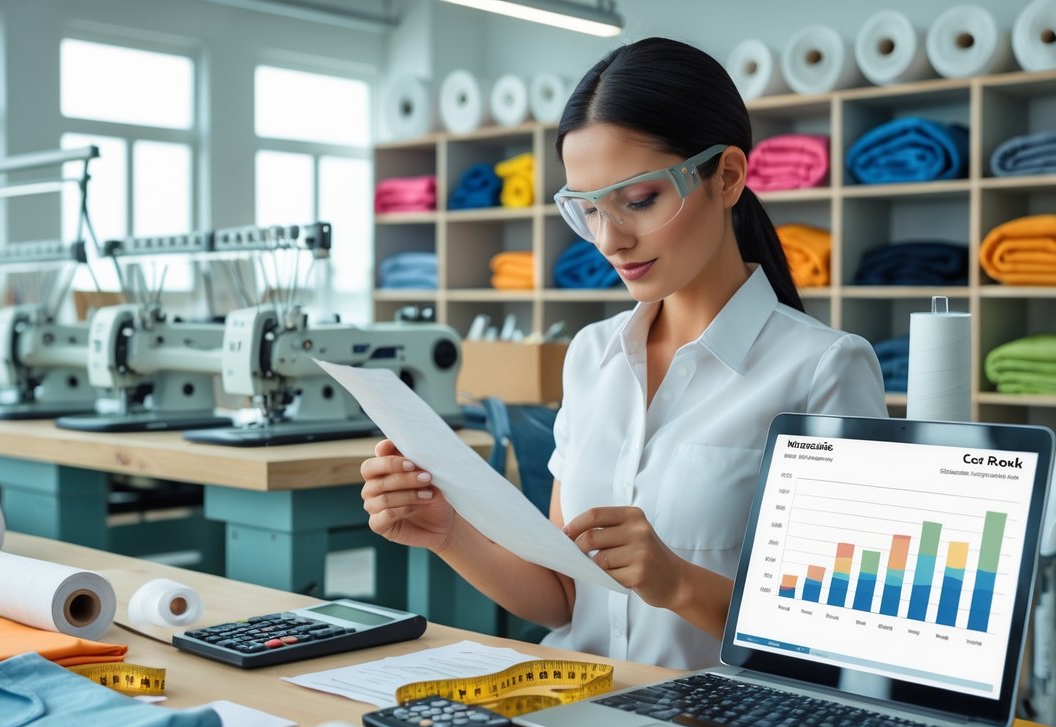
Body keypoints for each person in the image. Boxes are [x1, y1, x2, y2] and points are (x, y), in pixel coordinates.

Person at [360, 37, 887, 671]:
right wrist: (447, 532)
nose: (610, 241)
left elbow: (850, 631)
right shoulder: (591, 356)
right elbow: (563, 599)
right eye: (587, 211)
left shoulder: (823, 370)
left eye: (639, 202)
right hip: (577, 704)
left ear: (727, 176)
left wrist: (679, 584)